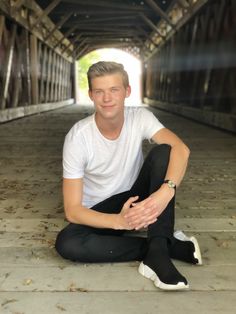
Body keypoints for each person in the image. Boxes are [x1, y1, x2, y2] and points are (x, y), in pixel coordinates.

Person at [55, 61, 202, 291]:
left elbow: (182, 149)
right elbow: (73, 210)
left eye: (114, 89)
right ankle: (163, 247)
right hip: (101, 210)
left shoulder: (140, 118)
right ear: (91, 95)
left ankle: (158, 256)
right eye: (100, 91)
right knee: (67, 243)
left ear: (127, 91)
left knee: (165, 151)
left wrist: (166, 191)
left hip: (137, 199)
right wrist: (118, 221)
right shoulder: (78, 137)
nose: (107, 98)